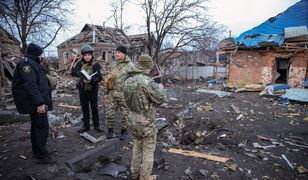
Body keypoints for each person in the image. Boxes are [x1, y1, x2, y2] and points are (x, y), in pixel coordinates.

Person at [123, 54, 166, 180]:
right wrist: (160, 89)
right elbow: (160, 99)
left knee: (136, 146)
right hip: (146, 122)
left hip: (132, 119)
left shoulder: (128, 80)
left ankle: (134, 172)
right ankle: (145, 176)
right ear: (149, 66)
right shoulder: (146, 81)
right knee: (148, 148)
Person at [12, 43, 55, 164]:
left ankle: (38, 150)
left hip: (36, 102)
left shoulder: (33, 63)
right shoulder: (27, 65)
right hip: (36, 103)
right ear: (35, 54)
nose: (42, 56)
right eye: (40, 54)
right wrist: (40, 103)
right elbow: (31, 85)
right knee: (41, 127)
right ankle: (42, 156)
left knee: (37, 127)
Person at [105, 45, 137, 140]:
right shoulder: (112, 64)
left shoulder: (130, 65)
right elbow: (108, 79)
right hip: (112, 93)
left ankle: (123, 132)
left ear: (124, 53)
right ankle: (110, 131)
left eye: (118, 52)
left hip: (124, 94)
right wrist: (106, 92)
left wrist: (132, 93)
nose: (116, 54)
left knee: (125, 114)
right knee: (110, 113)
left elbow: (135, 80)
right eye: (116, 52)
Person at [71, 44, 103, 133]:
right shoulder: (80, 63)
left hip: (93, 90)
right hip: (82, 89)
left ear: (91, 55)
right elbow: (73, 72)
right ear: (83, 56)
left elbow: (99, 77)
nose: (87, 57)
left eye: (89, 55)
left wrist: (91, 80)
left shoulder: (96, 64)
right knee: (85, 108)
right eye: (85, 55)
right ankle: (86, 126)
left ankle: (96, 126)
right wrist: (81, 75)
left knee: (94, 108)